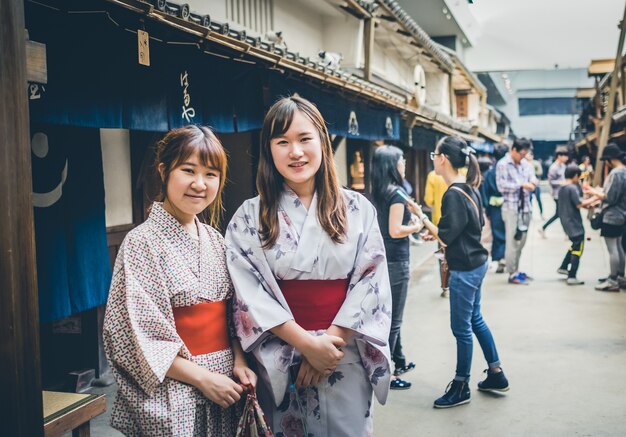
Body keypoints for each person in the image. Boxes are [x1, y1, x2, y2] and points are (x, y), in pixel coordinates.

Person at [225, 96, 392, 436]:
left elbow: (370, 281)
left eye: (304, 139)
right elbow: (248, 294)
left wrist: (327, 344)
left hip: (342, 351)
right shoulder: (248, 215)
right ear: (269, 150)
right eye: (282, 142)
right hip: (283, 353)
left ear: (322, 141)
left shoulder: (358, 208)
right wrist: (305, 344)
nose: (295, 152)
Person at [103, 125, 257, 436]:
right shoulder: (141, 242)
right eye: (189, 170)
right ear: (164, 170)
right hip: (173, 387)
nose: (200, 184)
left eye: (211, 174)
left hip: (225, 382)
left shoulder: (216, 240)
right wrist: (202, 378)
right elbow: (138, 337)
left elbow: (234, 317)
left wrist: (239, 361)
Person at [411, 136, 508, 408]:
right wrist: (441, 234)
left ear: (443, 159)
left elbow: (445, 235)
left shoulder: (453, 193)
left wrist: (422, 218)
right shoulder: (469, 187)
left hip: (465, 269)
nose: (433, 160)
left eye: (434, 155)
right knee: (475, 319)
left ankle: (461, 385)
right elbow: (466, 227)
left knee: (461, 328)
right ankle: (496, 373)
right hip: (477, 262)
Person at [370, 146, 422, 390]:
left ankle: (398, 360)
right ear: (392, 165)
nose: (403, 163)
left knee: (389, 314)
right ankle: (387, 373)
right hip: (397, 261)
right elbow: (395, 230)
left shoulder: (378, 192)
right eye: (401, 160)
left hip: (382, 259)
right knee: (394, 319)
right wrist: (416, 226)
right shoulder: (398, 194)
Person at [496, 138, 539, 285]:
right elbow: (501, 186)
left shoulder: (526, 164)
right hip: (511, 208)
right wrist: (522, 185)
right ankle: (511, 272)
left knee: (522, 240)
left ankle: (517, 269)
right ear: (513, 150)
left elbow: (533, 177)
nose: (523, 156)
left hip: (526, 207)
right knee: (512, 241)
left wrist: (533, 182)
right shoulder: (503, 164)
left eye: (525, 153)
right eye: (521, 153)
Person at [584, 143, 626, 292]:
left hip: (612, 216)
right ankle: (620, 276)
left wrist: (594, 192)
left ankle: (612, 280)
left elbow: (609, 197)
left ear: (609, 160)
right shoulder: (625, 172)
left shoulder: (616, 173)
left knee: (612, 249)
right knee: (619, 246)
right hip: (622, 215)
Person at [556, 165, 596, 285]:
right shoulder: (572, 188)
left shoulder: (562, 187)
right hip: (574, 223)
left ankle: (563, 267)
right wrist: (595, 198)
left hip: (566, 221)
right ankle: (572, 276)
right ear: (575, 176)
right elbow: (579, 203)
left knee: (575, 245)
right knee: (578, 249)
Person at [480, 144, 508, 274]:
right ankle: (505, 257)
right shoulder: (508, 170)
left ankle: (499, 258)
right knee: (508, 232)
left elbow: (485, 192)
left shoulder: (490, 172)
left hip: (494, 206)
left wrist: (487, 208)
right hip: (508, 204)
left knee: (497, 233)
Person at [539, 149, 569, 237]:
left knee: (560, 213)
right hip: (557, 194)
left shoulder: (563, 166)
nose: (566, 158)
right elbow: (550, 181)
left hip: (563, 192)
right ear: (559, 156)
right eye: (565, 156)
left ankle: (544, 228)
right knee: (561, 213)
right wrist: (560, 183)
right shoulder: (553, 167)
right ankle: (567, 232)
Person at [527, 149, 544, 219]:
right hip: (528, 184)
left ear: (532, 156)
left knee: (538, 199)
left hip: (536, 184)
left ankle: (542, 214)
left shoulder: (536, 163)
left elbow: (540, 172)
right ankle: (530, 214)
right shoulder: (523, 163)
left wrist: (532, 172)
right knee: (529, 199)